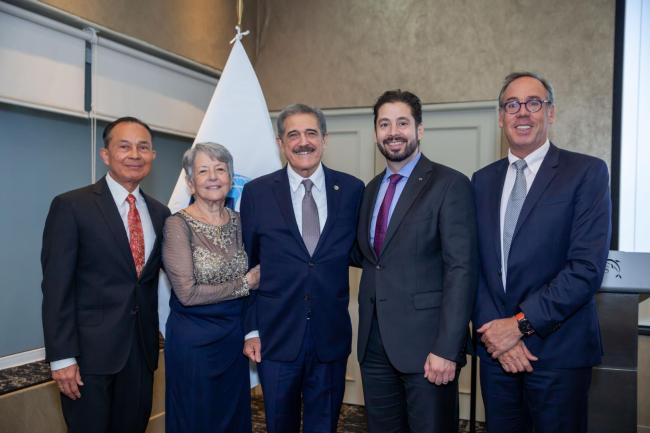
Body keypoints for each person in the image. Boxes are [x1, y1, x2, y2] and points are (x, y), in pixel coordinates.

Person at [472, 72, 611, 433]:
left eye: (533, 103)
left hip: (558, 352)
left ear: (551, 112)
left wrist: (519, 326)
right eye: (512, 105)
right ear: (500, 117)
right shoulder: (482, 181)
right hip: (497, 355)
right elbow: (475, 267)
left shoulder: (586, 172)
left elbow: (585, 269)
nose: (522, 112)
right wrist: (497, 335)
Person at [353, 89, 478, 433]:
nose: (393, 132)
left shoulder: (450, 184)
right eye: (384, 124)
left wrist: (447, 348)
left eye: (402, 123)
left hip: (429, 349)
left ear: (419, 129)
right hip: (374, 346)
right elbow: (371, 258)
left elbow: (462, 270)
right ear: (375, 133)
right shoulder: (370, 190)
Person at [41, 117, 171, 433]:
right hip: (88, 359)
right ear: (105, 154)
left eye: (143, 147)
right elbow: (56, 288)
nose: (135, 155)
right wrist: (62, 358)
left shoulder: (160, 213)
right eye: (124, 146)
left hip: (141, 355)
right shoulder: (72, 206)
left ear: (153, 155)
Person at [240, 103, 364, 433]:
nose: (303, 142)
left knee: (324, 425)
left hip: (330, 337)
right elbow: (247, 263)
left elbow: (362, 251)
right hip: (275, 337)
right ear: (281, 143)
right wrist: (251, 329)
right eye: (293, 135)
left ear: (324, 139)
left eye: (311, 133)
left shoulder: (352, 190)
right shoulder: (257, 193)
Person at [162, 142, 260, 433]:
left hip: (234, 338)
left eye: (220, 169)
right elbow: (187, 293)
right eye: (203, 171)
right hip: (193, 343)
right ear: (191, 182)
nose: (213, 177)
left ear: (231, 179)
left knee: (232, 416)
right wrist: (245, 283)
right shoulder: (177, 225)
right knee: (196, 418)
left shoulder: (243, 222)